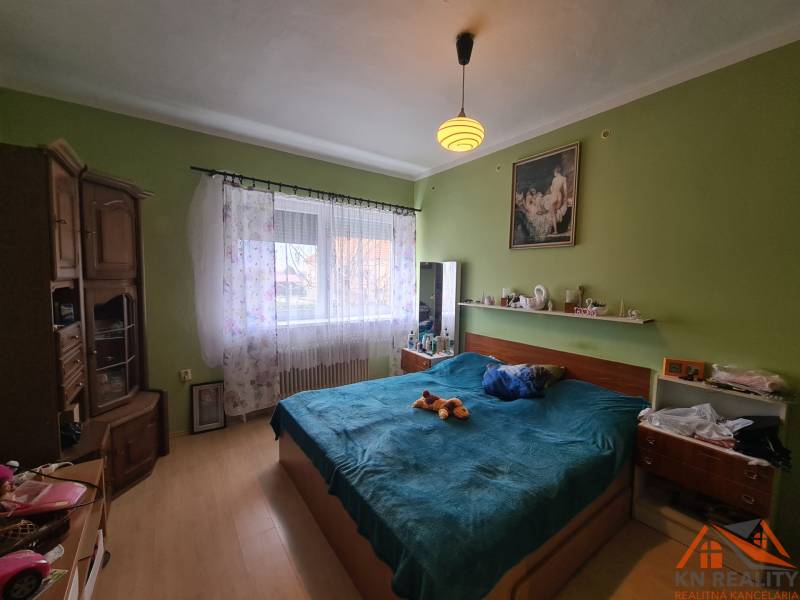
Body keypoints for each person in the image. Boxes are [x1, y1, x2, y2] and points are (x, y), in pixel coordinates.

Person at [548, 164, 568, 235]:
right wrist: (565, 200)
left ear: (556, 172)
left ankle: (555, 230)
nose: (554, 174)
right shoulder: (564, 178)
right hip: (559, 196)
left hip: (554, 195)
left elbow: (552, 189)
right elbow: (565, 190)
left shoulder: (554, 179)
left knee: (552, 214)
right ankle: (554, 230)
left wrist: (551, 188)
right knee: (556, 210)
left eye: (554, 172)